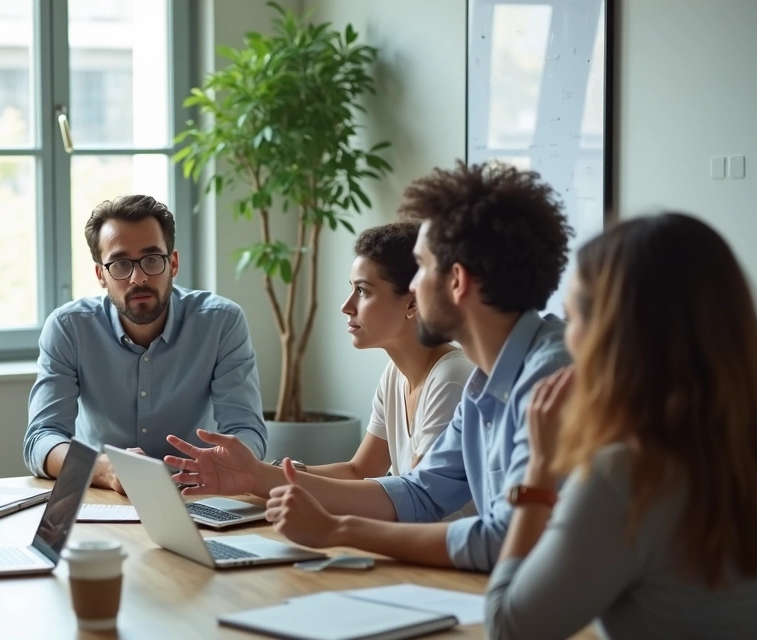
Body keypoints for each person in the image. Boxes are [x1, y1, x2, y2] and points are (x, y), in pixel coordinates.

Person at [169, 161, 572, 571]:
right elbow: (419, 493)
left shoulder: (551, 378)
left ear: (456, 280)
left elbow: (501, 538)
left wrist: (339, 530)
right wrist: (255, 477)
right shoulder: (484, 384)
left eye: (421, 267)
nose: (413, 286)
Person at [485, 213, 757, 639]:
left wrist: (539, 471)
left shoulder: (627, 477)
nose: (566, 336)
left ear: (610, 338)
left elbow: (508, 630)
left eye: (571, 317)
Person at [167, 222, 474, 492]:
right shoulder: (395, 375)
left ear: (412, 303)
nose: (346, 306)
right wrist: (267, 473)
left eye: (363, 291)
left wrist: (259, 478)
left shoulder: (451, 379)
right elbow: (359, 471)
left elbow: (415, 500)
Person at [22, 195, 267, 493]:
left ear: (173, 264)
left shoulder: (221, 322)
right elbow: (42, 438)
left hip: (196, 492)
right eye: (120, 264)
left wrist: (222, 465)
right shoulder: (69, 327)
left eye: (152, 260)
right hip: (101, 495)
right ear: (101, 275)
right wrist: (104, 469)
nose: (138, 278)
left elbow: (246, 430)